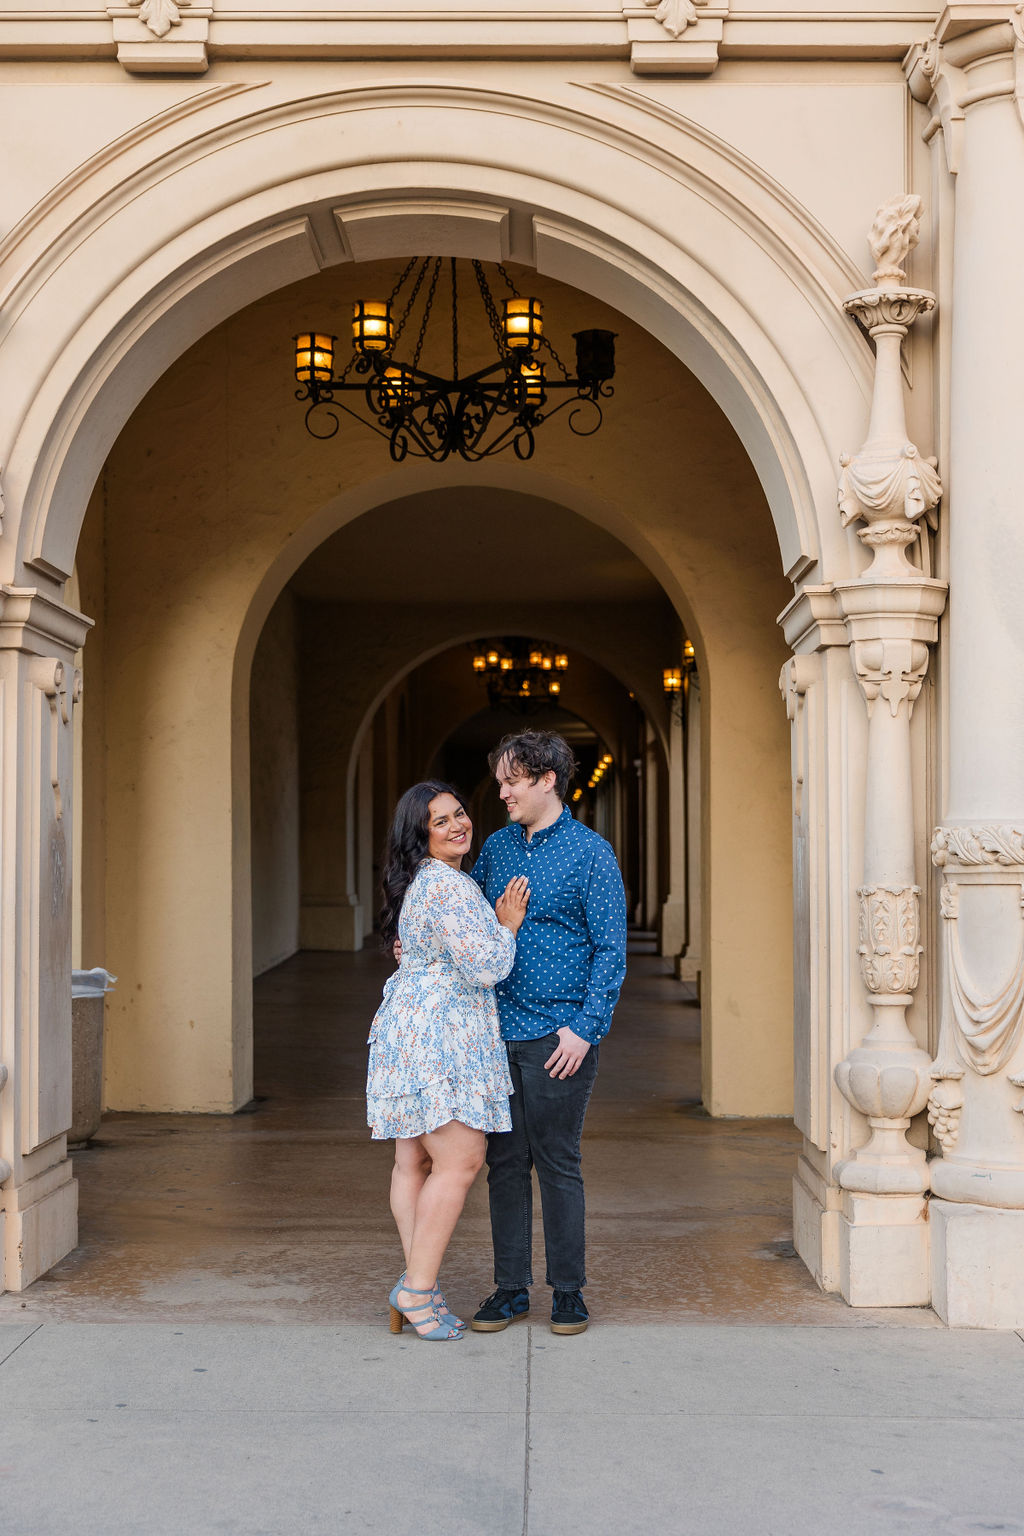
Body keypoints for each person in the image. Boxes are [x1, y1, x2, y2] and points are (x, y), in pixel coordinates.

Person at [469, 730, 627, 1336]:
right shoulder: (498, 849)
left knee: (559, 1162)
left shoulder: (591, 854)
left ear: (546, 780)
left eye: (513, 780)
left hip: (559, 1040)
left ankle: (568, 1292)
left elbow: (611, 950)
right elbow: (474, 922)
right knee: (504, 1163)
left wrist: (585, 1030)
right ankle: (509, 1290)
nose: (502, 791)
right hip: (494, 1033)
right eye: (501, 780)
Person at [367, 780, 530, 1342]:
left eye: (459, 814)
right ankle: (416, 1290)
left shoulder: (422, 883)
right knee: (461, 1157)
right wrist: (506, 924)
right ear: (420, 835)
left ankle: (419, 1286)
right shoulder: (449, 888)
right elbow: (488, 967)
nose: (458, 825)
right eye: (441, 821)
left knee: (413, 1162)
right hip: (441, 1035)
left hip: (408, 1028)